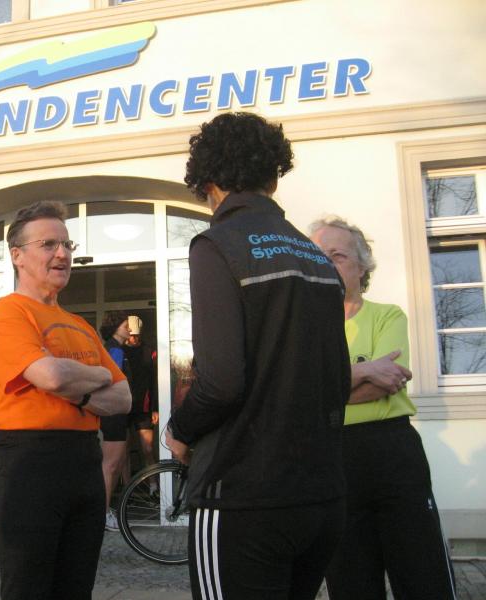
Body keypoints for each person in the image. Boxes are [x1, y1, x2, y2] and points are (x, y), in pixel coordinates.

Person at [165, 112, 350, 600]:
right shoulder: (316, 257)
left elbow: (221, 382)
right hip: (321, 496)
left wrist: (179, 430)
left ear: (208, 182)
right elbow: (337, 378)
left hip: (240, 496)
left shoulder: (217, 245)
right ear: (273, 177)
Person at [0, 200, 131, 600]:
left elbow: (123, 397)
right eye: (48, 244)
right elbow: (50, 375)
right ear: (17, 255)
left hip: (84, 461)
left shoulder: (80, 325)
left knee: (77, 587)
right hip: (30, 462)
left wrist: (75, 385)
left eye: (67, 244)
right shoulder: (7, 313)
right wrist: (97, 378)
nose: (62, 254)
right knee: (28, 587)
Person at [310, 217, 457, 600]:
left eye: (337, 256)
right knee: (350, 580)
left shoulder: (387, 316)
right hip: (333, 459)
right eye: (318, 256)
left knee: (422, 574)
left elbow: (384, 384)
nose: (326, 264)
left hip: (391, 452)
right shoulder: (305, 331)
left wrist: (321, 390)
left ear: (362, 267)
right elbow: (295, 395)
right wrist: (362, 371)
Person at [98, 311, 131, 532]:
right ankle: (102, 514)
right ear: (115, 328)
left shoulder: (116, 348)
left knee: (114, 464)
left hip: (117, 412)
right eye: (126, 326)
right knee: (110, 466)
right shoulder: (115, 350)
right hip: (114, 413)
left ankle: (105, 510)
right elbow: (113, 379)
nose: (129, 329)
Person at [124, 316, 158, 472]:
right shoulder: (119, 351)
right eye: (131, 335)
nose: (133, 338)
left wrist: (155, 408)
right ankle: (126, 484)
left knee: (148, 449)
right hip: (124, 405)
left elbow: (155, 380)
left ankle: (153, 483)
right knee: (123, 451)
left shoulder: (149, 351)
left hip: (144, 405)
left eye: (136, 335)